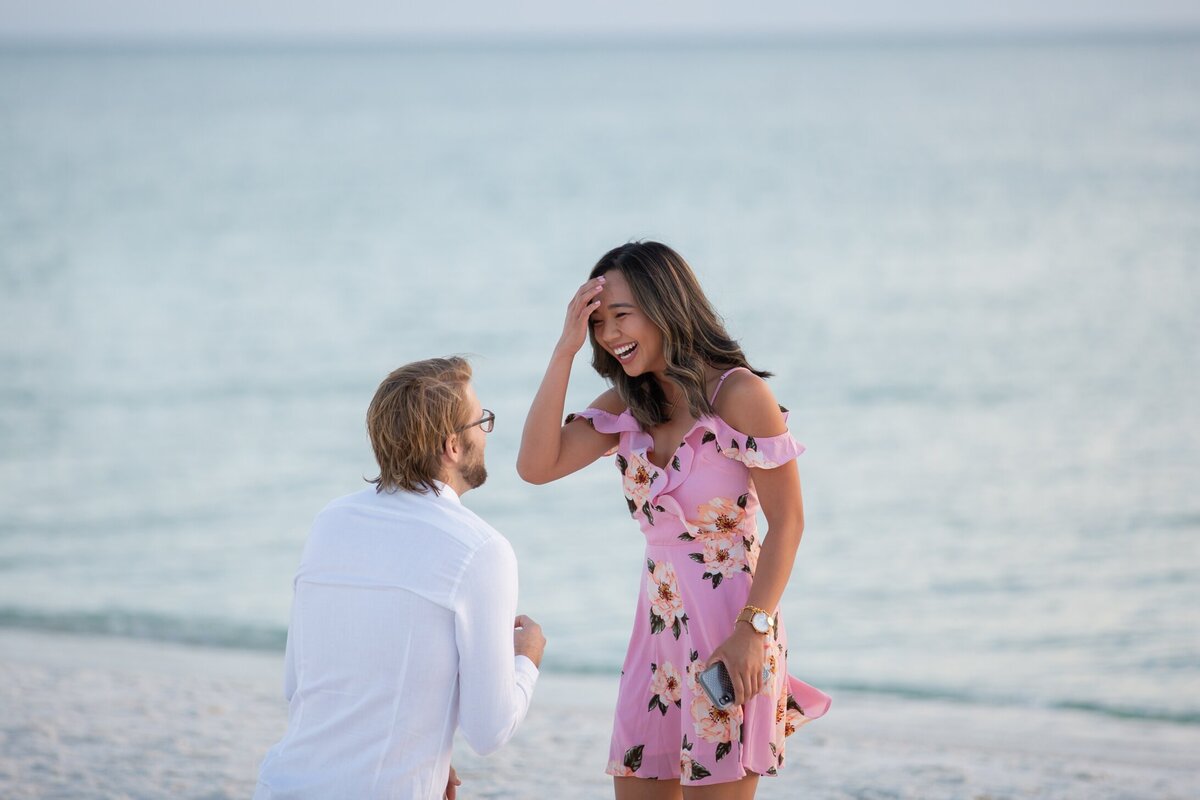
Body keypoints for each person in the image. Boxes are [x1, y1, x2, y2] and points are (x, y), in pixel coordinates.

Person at [517, 242, 830, 798]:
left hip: (732, 630)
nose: (609, 335)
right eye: (597, 322)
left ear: (664, 305)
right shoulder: (626, 404)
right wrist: (563, 351)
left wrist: (751, 631)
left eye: (621, 315)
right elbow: (535, 466)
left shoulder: (737, 393)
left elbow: (789, 523)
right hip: (656, 637)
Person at [254, 356, 546, 800]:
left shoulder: (330, 521)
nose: (486, 433)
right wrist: (526, 659)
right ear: (452, 446)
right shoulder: (481, 550)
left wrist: (425, 752)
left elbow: (298, 686)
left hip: (282, 786)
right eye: (481, 422)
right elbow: (489, 732)